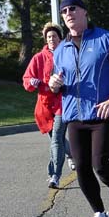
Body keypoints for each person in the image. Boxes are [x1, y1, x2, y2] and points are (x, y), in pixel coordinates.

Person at [48, 0, 109, 217]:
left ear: (84, 12)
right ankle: (100, 215)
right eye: (64, 11)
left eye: (72, 8)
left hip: (104, 112)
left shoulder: (107, 39)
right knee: (82, 167)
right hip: (74, 116)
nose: (68, 13)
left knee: (100, 164)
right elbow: (59, 82)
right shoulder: (60, 50)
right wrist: (55, 84)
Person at [22, 22, 73, 189]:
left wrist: (64, 85)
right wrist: (33, 81)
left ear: (60, 38)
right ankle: (72, 154)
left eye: (55, 36)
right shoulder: (38, 57)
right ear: (46, 39)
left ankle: (55, 176)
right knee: (55, 140)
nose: (52, 39)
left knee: (57, 138)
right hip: (44, 106)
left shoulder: (68, 55)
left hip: (62, 103)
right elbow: (26, 79)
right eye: (49, 37)